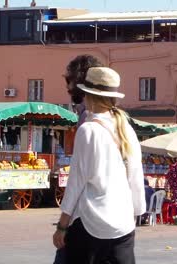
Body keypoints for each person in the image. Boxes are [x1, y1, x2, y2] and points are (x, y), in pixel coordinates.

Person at [52, 67, 146, 263]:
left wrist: (62, 225)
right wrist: (136, 212)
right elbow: (136, 176)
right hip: (123, 224)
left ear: (88, 95)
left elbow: (76, 181)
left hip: (91, 222)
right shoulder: (126, 128)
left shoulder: (88, 130)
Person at [63, 54, 104, 127]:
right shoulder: (112, 116)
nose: (67, 86)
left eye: (69, 81)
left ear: (79, 81)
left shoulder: (87, 117)